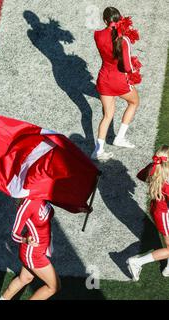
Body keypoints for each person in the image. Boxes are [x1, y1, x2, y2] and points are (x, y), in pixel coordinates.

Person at [91, 7, 142, 161]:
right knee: (134, 102)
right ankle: (119, 138)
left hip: (103, 79)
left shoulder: (97, 35)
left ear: (105, 20)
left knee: (107, 115)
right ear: (120, 19)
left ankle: (98, 151)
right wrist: (135, 68)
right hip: (119, 80)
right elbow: (127, 67)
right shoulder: (123, 39)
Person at [0, 198, 60, 300]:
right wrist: (25, 240)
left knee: (24, 279)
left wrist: (77, 208)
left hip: (40, 248)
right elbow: (14, 234)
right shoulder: (26, 205)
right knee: (53, 287)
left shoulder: (41, 195)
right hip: (33, 253)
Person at [127, 145, 169, 281]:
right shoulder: (167, 184)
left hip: (156, 208)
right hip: (164, 215)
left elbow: (141, 176)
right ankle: (137, 262)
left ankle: (168, 269)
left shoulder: (153, 168)